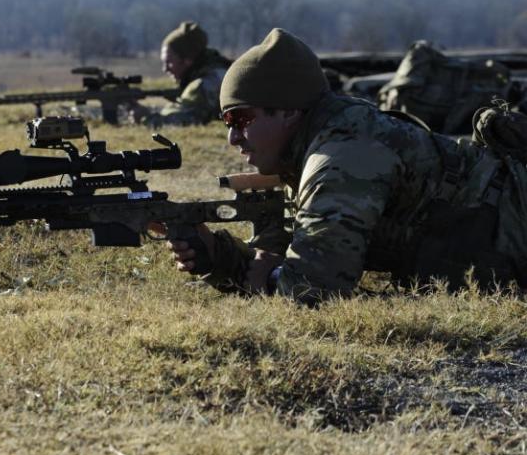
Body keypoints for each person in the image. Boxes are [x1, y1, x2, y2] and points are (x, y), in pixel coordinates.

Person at [167, 28, 527, 303]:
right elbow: (292, 248)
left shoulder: (342, 156)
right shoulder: (320, 141)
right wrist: (219, 258)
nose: (233, 138)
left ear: (290, 111)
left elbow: (314, 287)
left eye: (241, 118)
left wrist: (263, 275)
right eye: (227, 122)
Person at [129, 21, 231, 127]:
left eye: (169, 62)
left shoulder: (204, 84)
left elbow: (184, 120)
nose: (165, 69)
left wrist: (145, 118)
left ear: (187, 60)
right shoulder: (217, 71)